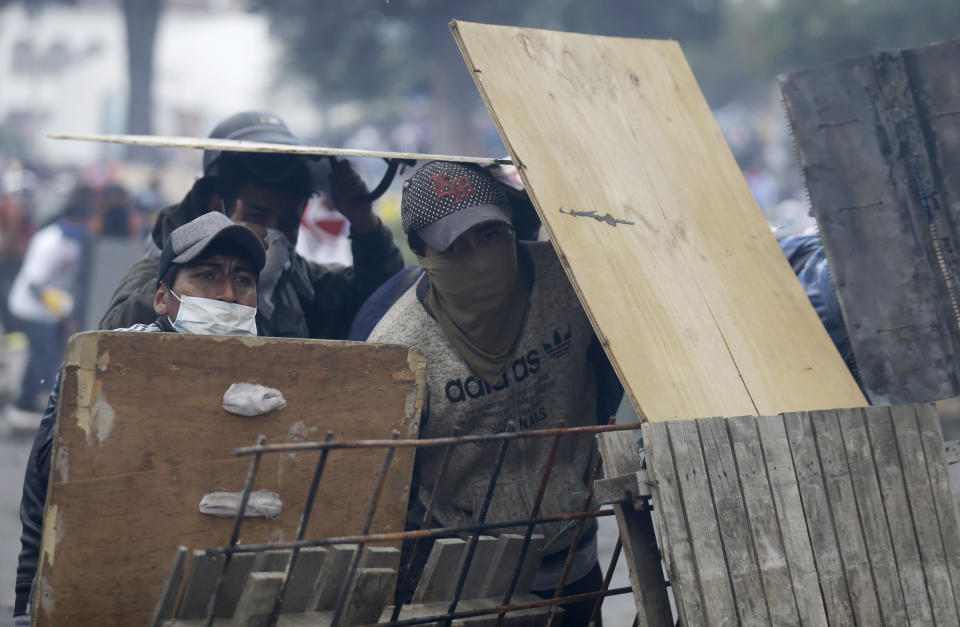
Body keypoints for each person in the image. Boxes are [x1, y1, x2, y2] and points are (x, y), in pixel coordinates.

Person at [367, 161, 620, 625]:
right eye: (455, 247)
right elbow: (389, 479)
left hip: (574, 550)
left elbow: (609, 378)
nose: (479, 257)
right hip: (470, 576)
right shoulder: (397, 345)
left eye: (489, 236)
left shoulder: (570, 282)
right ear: (423, 253)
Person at [13, 212, 266, 625]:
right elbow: (45, 497)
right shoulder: (108, 369)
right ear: (163, 298)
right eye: (206, 275)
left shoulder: (276, 379)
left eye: (243, 280)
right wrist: (28, 604)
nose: (228, 295)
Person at [99, 110, 404, 339]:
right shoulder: (161, 273)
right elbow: (112, 343)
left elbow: (381, 298)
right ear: (218, 206)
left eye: (287, 223)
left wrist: (364, 222)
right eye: (257, 217)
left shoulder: (298, 284)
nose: (270, 235)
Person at [6, 185, 93, 421]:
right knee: (42, 355)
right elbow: (35, 283)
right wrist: (60, 305)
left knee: (43, 354)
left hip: (48, 311)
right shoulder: (49, 241)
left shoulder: (74, 243)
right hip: (29, 307)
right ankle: (30, 402)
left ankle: (26, 400)